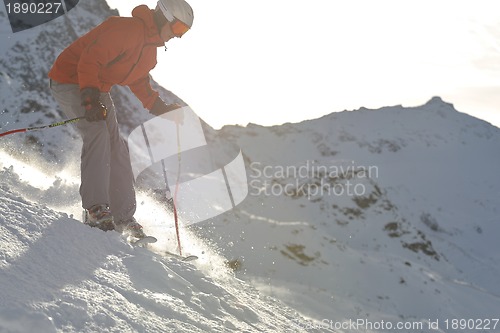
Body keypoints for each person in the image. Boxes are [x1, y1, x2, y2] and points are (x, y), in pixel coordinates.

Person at [48, 0, 194, 238]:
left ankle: (122, 215)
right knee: (97, 133)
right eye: (178, 29)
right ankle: (95, 208)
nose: (178, 37)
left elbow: (138, 81)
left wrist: (159, 107)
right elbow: (89, 59)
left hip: (97, 88)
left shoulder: (150, 50)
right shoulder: (125, 29)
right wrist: (89, 98)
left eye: (183, 33)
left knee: (117, 144)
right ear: (164, 17)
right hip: (70, 79)